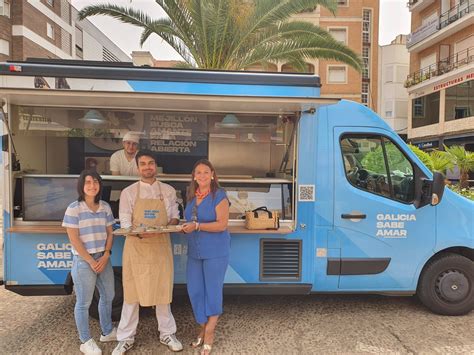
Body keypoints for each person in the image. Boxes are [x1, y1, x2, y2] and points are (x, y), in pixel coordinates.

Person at [112, 149, 183, 354]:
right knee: (132, 295)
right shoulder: (128, 192)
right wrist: (144, 234)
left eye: (150, 163)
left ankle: (167, 333)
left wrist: (164, 227)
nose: (147, 167)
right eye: (143, 164)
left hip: (161, 248)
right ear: (137, 167)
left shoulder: (168, 191)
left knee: (162, 292)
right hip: (137, 248)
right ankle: (125, 338)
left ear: (156, 165)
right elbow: (125, 223)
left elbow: (174, 217)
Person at [62, 170, 116, 355]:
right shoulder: (74, 208)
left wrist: (106, 254)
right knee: (83, 303)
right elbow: (74, 239)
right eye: (88, 183)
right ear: (81, 186)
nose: (92, 186)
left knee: (108, 296)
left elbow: (110, 233)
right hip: (84, 261)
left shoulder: (105, 207)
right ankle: (85, 341)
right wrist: (91, 261)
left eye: (95, 182)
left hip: (103, 258)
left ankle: (107, 332)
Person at [182, 159, 231, 355]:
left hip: (216, 252)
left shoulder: (219, 195)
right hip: (195, 251)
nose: (201, 175)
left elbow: (222, 224)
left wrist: (197, 226)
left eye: (205, 172)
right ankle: (202, 325)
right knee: (194, 290)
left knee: (212, 291)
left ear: (212, 174)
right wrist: (184, 228)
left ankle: (208, 332)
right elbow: (190, 221)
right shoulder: (192, 197)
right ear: (194, 176)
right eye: (198, 172)